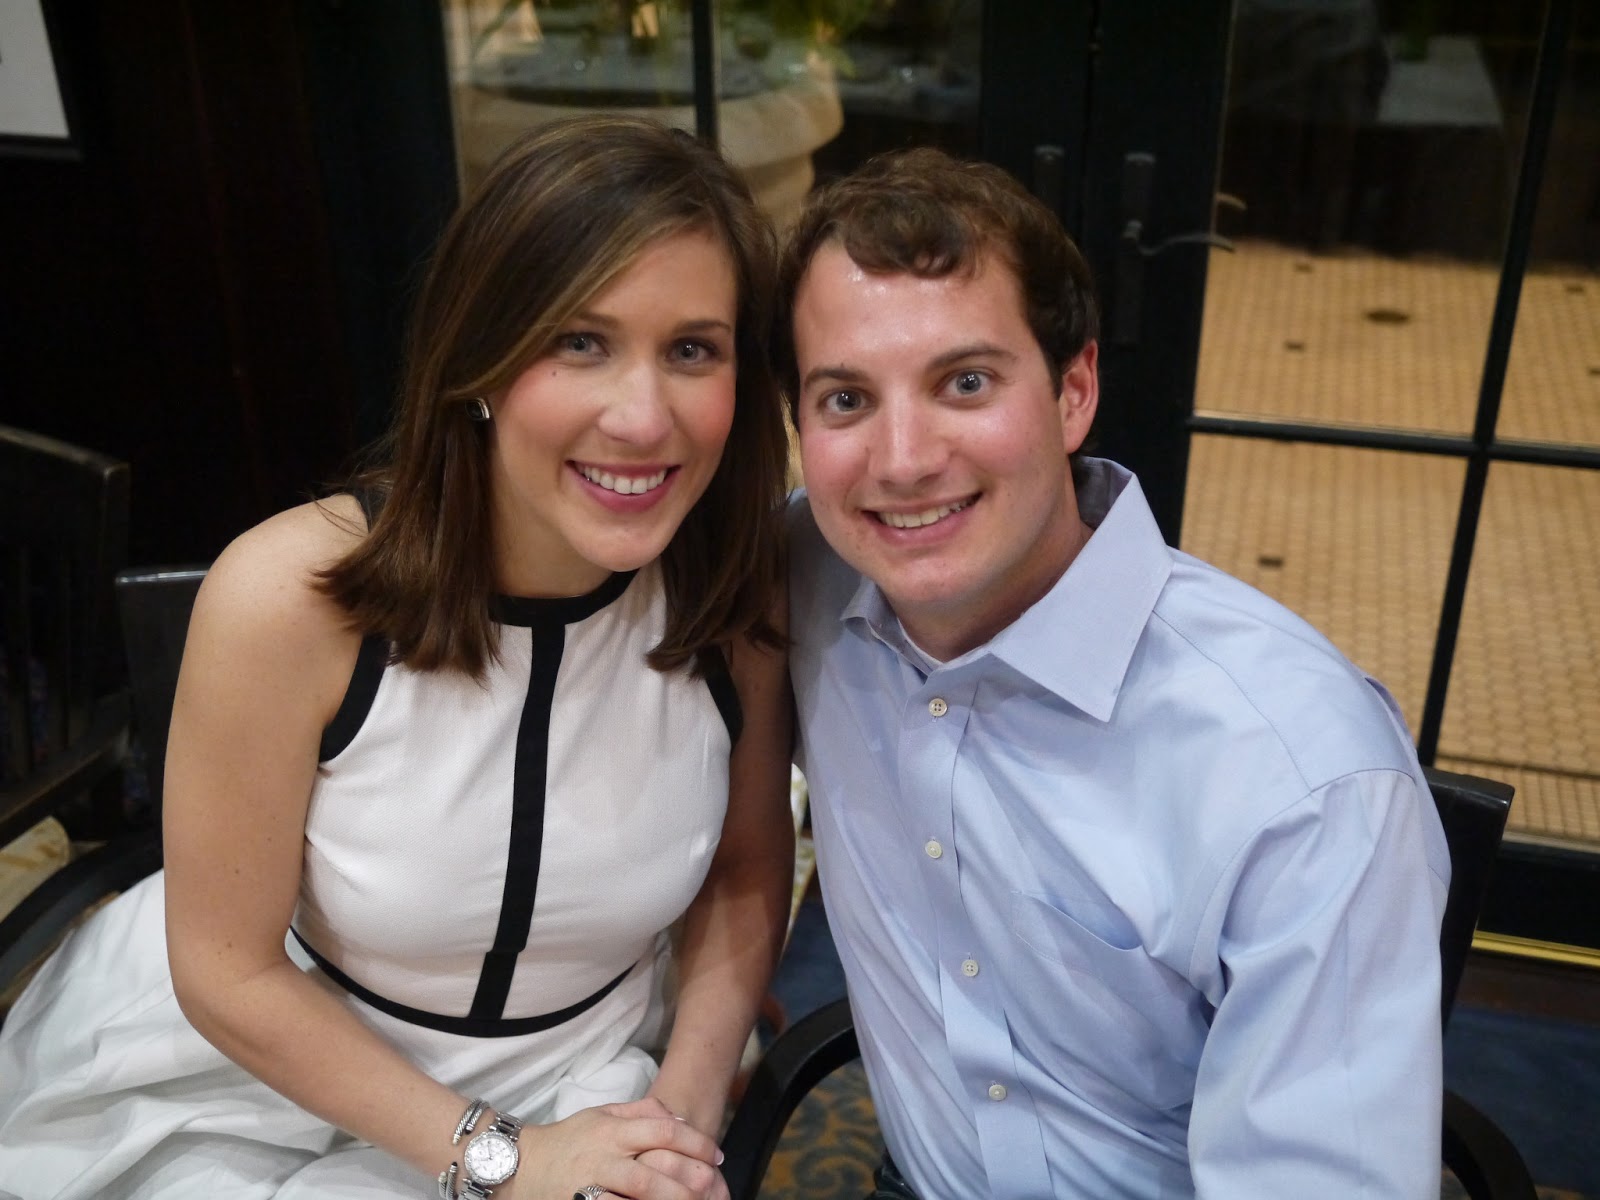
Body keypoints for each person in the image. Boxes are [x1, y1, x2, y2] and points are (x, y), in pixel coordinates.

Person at [0, 115, 794, 1200]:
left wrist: (683, 1114)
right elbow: (226, 972)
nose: (643, 417)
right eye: (580, 341)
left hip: (583, 1079)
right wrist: (505, 1160)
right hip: (251, 1078)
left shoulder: (736, 600)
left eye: (692, 349)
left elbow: (745, 869)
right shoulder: (288, 598)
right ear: (480, 361)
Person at [780, 147, 1451, 1198]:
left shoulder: (1300, 780)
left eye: (965, 382)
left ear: (1074, 391)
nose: (902, 460)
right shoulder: (804, 581)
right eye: (845, 399)